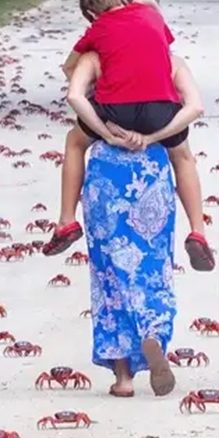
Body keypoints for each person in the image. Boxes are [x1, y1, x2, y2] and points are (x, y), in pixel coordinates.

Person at [41, 0, 214, 272]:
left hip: (114, 113)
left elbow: (71, 69)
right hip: (160, 112)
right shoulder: (153, 22)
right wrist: (153, 135)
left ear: (91, 15)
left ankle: (66, 220)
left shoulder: (97, 33)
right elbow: (167, 58)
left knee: (74, 142)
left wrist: (105, 129)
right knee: (183, 157)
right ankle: (198, 230)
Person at [70, 50, 185, 397]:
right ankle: (153, 333)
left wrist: (105, 129)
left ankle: (123, 378)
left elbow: (74, 97)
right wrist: (151, 137)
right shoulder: (166, 63)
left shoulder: (100, 62)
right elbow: (190, 124)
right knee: (154, 267)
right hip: (152, 173)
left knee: (110, 275)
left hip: (107, 173)